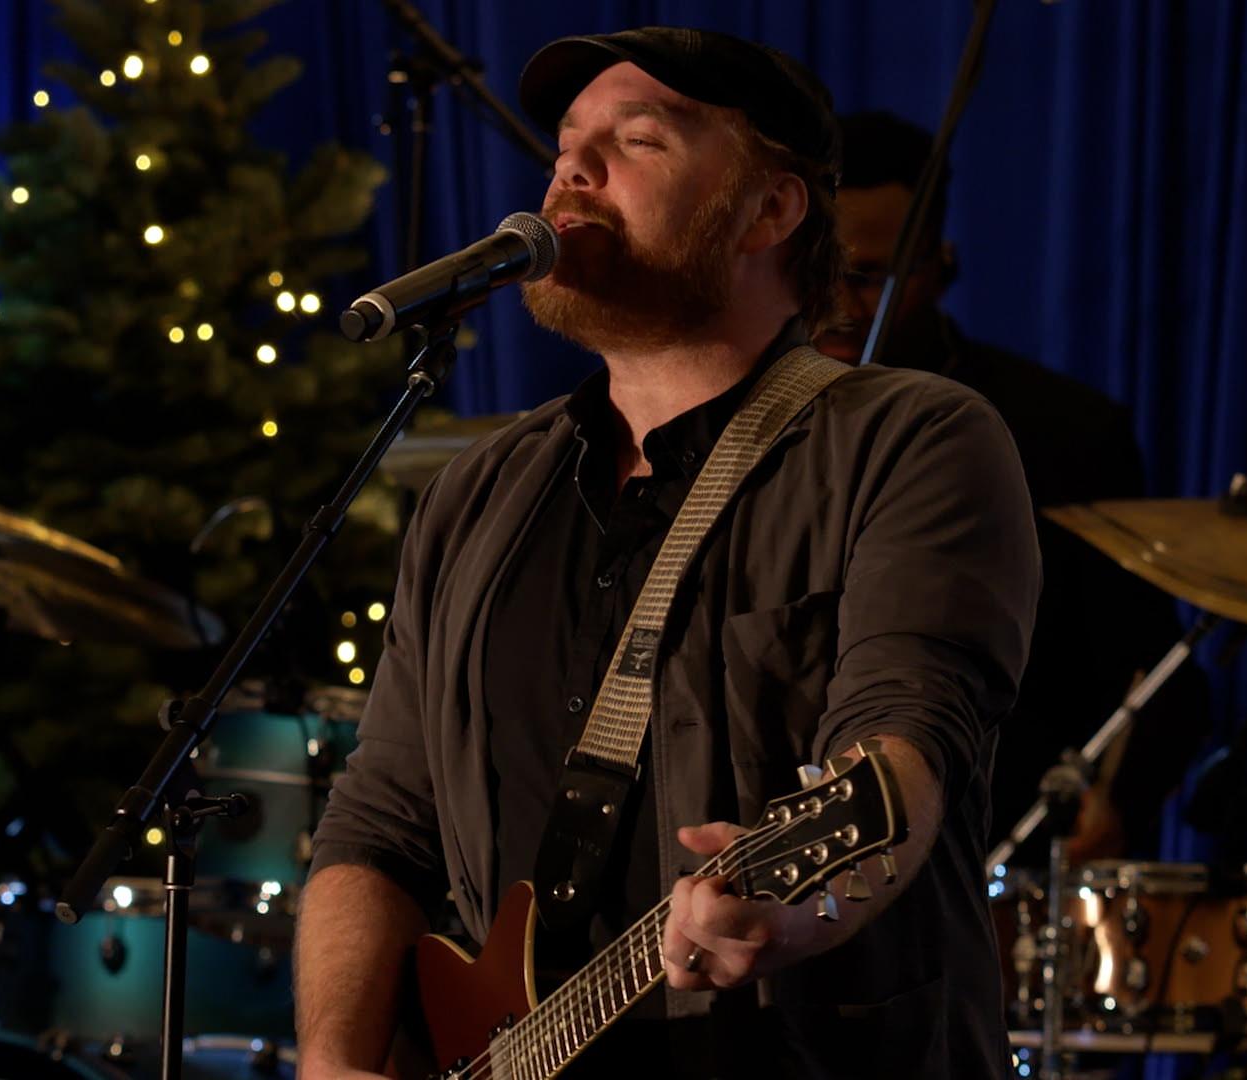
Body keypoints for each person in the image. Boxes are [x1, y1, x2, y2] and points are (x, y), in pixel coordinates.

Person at [295, 29, 1040, 1078]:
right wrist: (333, 1055)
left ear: (769, 211)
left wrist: (793, 914)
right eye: (567, 145)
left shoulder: (910, 440)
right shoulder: (479, 493)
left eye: (637, 141)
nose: (574, 169)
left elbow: (906, 735)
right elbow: (382, 823)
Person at [816, 111, 1210, 863]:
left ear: (942, 265)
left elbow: (1153, 678)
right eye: (817, 268)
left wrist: (1117, 801)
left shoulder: (1064, 431)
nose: (838, 302)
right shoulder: (735, 423)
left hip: (991, 850)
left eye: (869, 277)